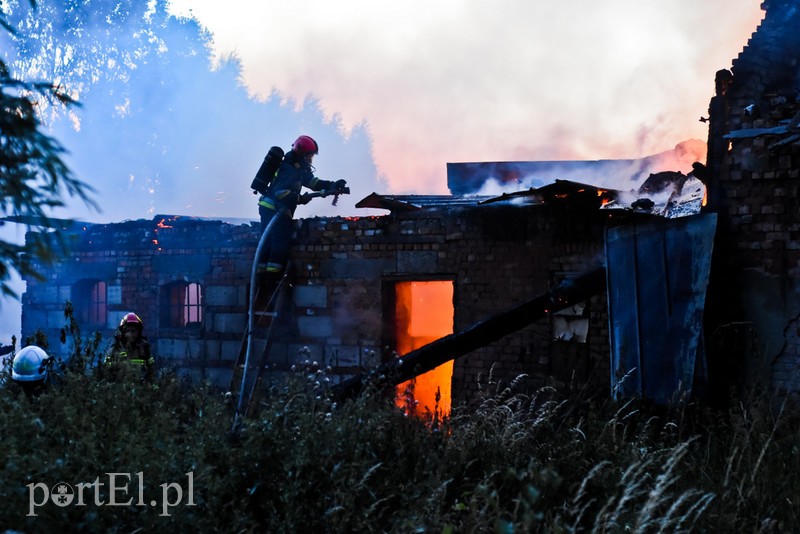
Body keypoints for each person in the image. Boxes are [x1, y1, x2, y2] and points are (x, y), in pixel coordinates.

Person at [256, 134, 347, 288]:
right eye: (310, 155)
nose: (311, 159)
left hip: (273, 209)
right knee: (279, 244)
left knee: (268, 243)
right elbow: (280, 193)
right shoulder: (290, 168)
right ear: (303, 154)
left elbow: (313, 182)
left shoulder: (299, 167)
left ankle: (261, 280)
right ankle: (270, 282)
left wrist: (333, 185)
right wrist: (300, 199)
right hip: (273, 210)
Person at [103, 312, 154, 382]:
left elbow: (152, 371)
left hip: (140, 389)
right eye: (128, 331)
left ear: (139, 332)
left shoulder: (144, 349)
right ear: (122, 332)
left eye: (133, 331)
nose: (130, 334)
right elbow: (106, 372)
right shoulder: (115, 350)